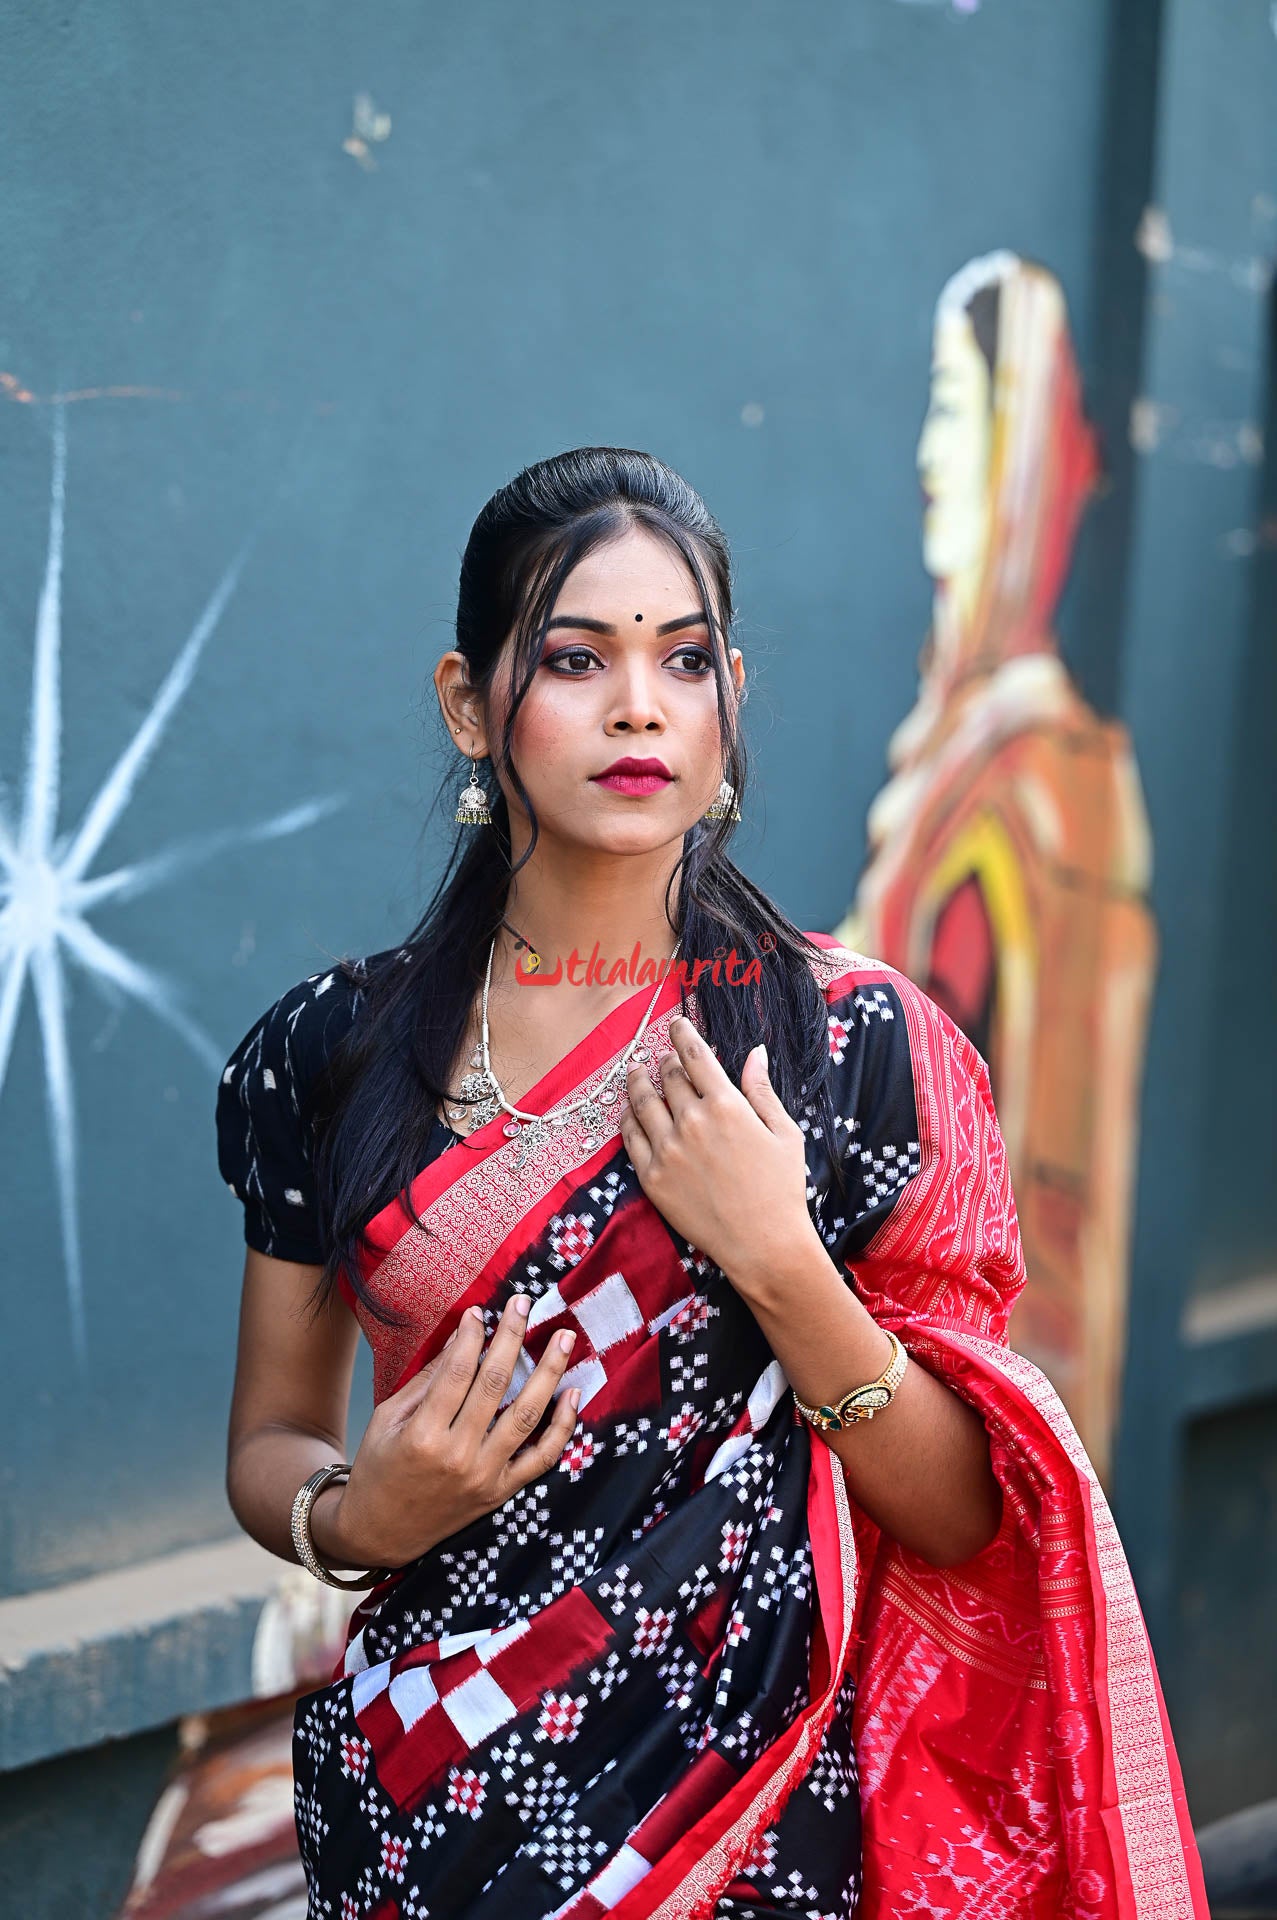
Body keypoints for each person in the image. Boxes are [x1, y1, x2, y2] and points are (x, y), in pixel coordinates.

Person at [216, 448, 1207, 1919]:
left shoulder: (855, 1048)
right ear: (466, 702)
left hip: (754, 1821)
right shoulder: (329, 1051)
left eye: (682, 660)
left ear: (729, 696)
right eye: (572, 658)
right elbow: (274, 1439)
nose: (637, 705)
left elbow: (961, 1522)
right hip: (431, 1800)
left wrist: (780, 1261)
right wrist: (362, 1518)